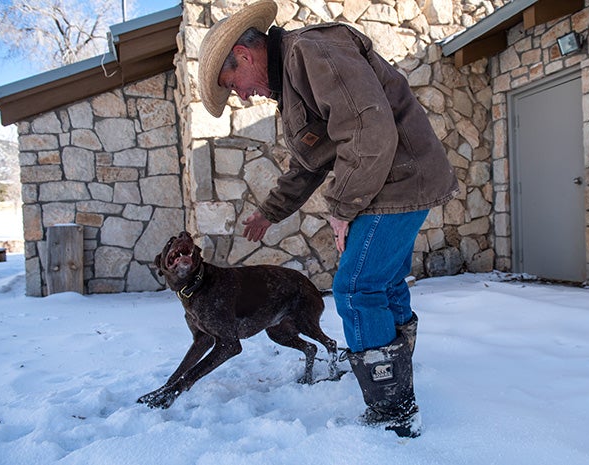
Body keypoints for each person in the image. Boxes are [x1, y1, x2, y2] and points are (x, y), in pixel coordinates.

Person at [197, 0, 459, 438]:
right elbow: (310, 161)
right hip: (395, 180)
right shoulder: (294, 81)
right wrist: (269, 211)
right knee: (383, 284)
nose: (242, 95)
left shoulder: (310, 53)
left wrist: (342, 208)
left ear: (243, 55)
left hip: (398, 179)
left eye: (233, 83)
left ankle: (392, 412)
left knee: (356, 287)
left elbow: (369, 131)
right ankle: (397, 391)